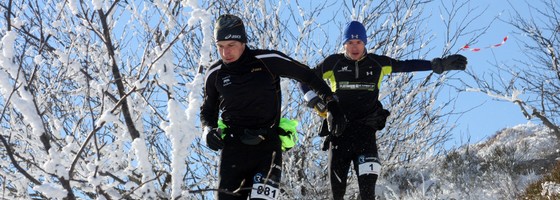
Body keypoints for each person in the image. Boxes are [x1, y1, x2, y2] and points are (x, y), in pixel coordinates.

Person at [300, 21, 467, 200]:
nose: (354, 47)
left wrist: (437, 65)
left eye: (358, 43)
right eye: (350, 43)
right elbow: (304, 79)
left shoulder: (377, 63)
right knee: (337, 194)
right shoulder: (333, 63)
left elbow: (405, 66)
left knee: (368, 193)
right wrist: (316, 103)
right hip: (340, 134)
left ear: (364, 43)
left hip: (366, 134)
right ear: (344, 44)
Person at [200, 14, 347, 200]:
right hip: (233, 150)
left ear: (243, 42)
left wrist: (332, 103)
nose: (225, 52)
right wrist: (207, 130)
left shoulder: (267, 59)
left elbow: (307, 75)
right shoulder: (215, 73)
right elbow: (207, 110)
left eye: (231, 46)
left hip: (267, 148)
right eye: (220, 46)